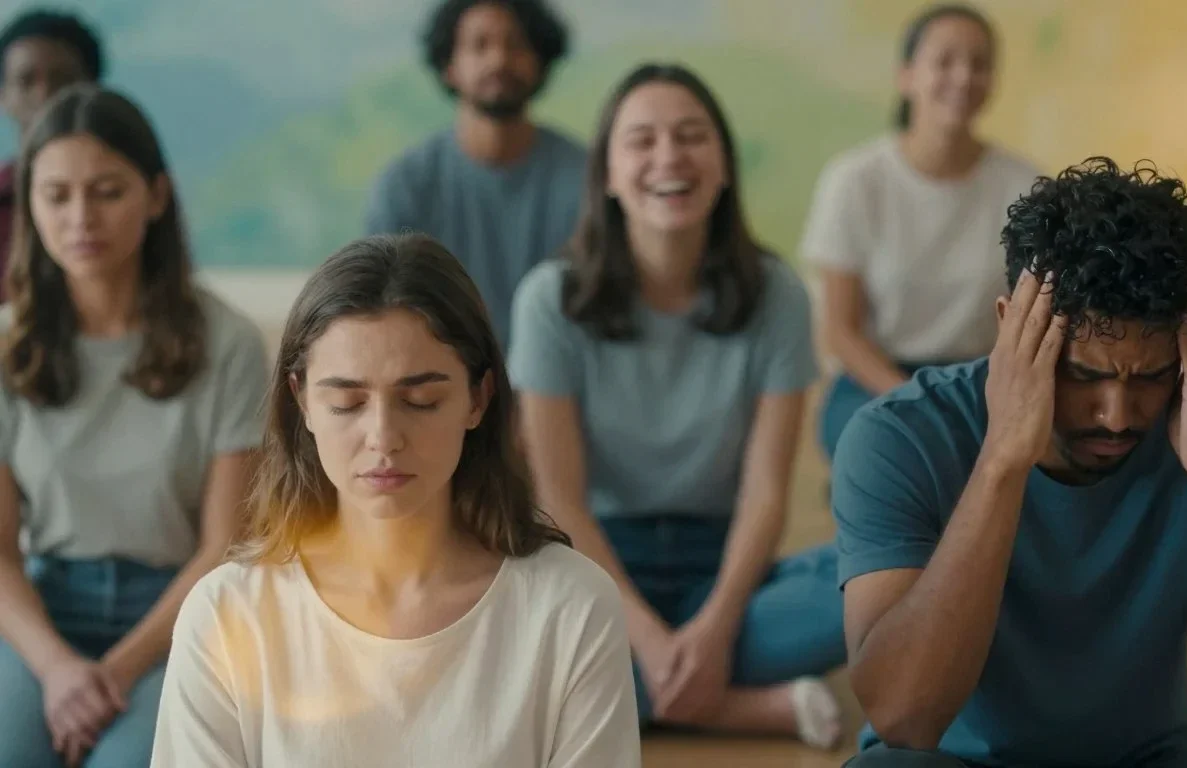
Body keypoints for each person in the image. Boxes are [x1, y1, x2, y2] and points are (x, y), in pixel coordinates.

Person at [836, 158, 1187, 767]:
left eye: (1152, 377)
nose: (1117, 416)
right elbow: (902, 717)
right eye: (1081, 375)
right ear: (1011, 327)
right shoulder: (901, 436)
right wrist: (1001, 462)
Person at [149, 234, 641, 767]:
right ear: (302, 401)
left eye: (421, 401)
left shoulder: (570, 609)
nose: (383, 437)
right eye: (347, 402)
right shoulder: (227, 614)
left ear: (478, 399)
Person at [510, 63, 847, 750]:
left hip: (722, 567)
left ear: (723, 167)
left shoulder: (778, 296)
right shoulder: (550, 299)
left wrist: (716, 627)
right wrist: (649, 638)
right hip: (594, 565)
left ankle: (637, 693)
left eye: (692, 136)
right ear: (608, 174)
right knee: (504, 634)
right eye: (642, 140)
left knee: (874, 583)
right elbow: (559, 499)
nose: (669, 157)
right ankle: (752, 709)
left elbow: (765, 494)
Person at [0, 85, 267, 768]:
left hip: (180, 615)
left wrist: (114, 672)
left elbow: (223, 547)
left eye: (107, 192)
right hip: (42, 614)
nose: (81, 218)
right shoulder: (7, 346)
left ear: (156, 196)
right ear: (30, 206)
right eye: (56, 196)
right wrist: (59, 670)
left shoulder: (229, 344)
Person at [799, 3, 1040, 460]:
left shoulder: (1026, 187)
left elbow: (1034, 317)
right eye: (945, 61)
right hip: (874, 379)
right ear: (906, 76)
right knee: (891, 450)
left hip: (984, 377)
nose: (963, 77)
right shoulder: (855, 180)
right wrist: (916, 397)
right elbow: (839, 330)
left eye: (979, 63)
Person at [364, 0, 586, 350]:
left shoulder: (586, 180)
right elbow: (381, 314)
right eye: (479, 45)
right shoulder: (405, 186)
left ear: (540, 61)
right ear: (449, 65)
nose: (498, 60)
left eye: (516, 44)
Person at [0, 9, 103, 290]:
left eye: (62, 80)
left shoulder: (126, 200)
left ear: (93, 89)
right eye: (26, 81)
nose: (44, 94)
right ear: (4, 95)